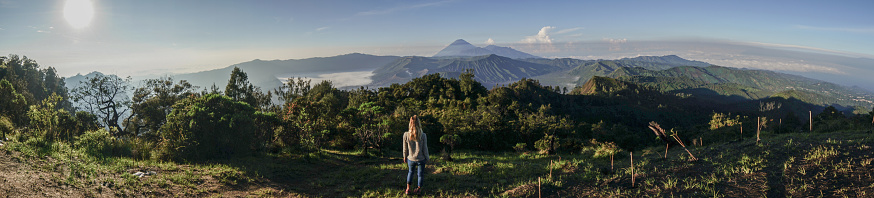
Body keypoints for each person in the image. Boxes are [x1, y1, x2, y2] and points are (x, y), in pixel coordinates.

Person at [403, 115, 429, 195]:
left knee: (410, 172)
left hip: (410, 158)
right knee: (420, 175)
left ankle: (408, 189)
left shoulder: (406, 135)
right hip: (421, 159)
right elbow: (425, 148)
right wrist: (427, 158)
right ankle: (418, 189)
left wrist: (404, 156)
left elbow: (405, 148)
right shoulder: (423, 135)